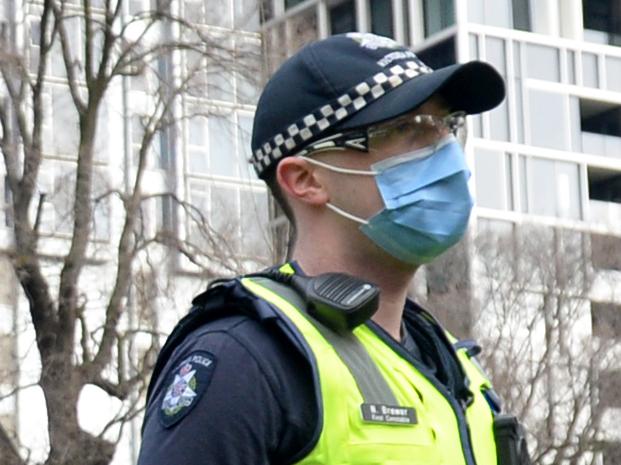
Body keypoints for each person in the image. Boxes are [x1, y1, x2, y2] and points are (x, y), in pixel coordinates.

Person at [137, 33, 530, 465]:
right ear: (305, 179)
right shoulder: (244, 359)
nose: (443, 150)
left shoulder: (459, 370)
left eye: (445, 124)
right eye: (406, 128)